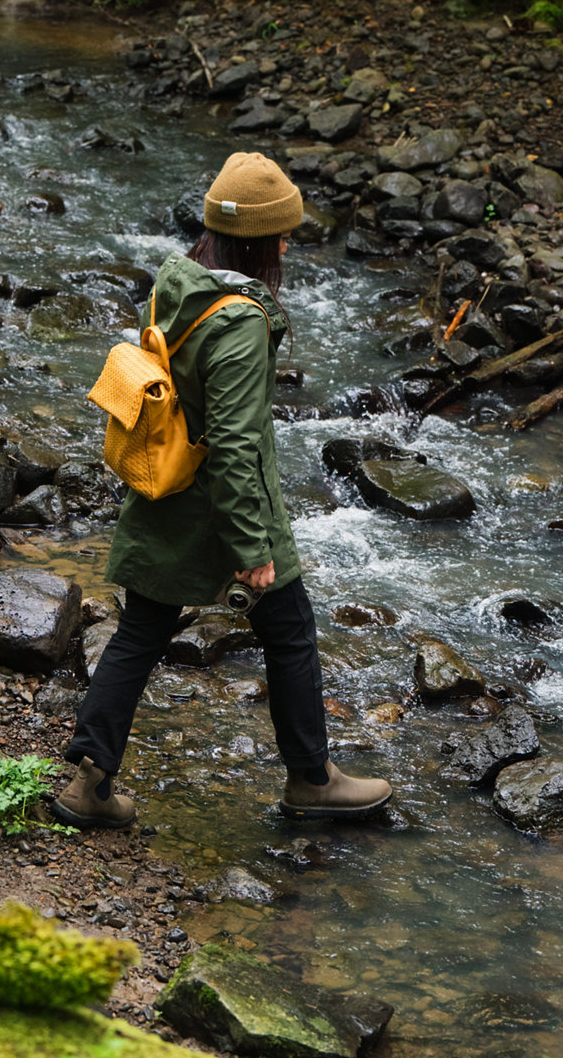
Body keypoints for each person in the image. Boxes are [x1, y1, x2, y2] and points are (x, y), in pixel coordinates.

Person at [51, 152, 393, 828]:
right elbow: (236, 445)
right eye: (281, 234)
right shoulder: (239, 323)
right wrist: (252, 546)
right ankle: (311, 779)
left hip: (166, 491)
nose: (289, 244)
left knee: (140, 633)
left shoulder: (180, 282)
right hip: (223, 507)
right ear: (261, 241)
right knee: (290, 629)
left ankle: (85, 784)